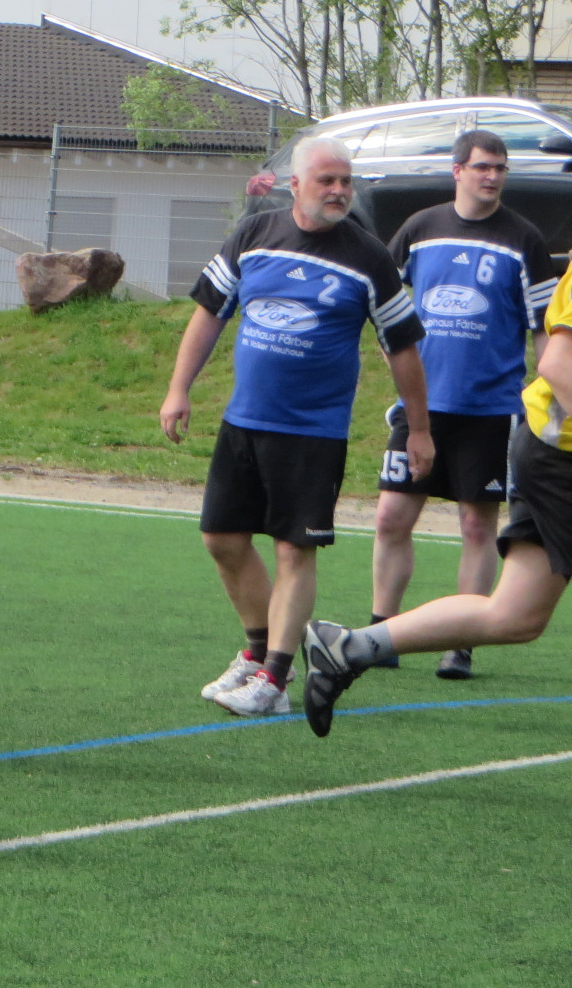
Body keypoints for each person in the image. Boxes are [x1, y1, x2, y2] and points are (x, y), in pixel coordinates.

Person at [160, 135, 431, 717]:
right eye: (327, 180)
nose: (338, 191)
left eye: (346, 181)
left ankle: (276, 680)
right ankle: (258, 650)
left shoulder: (368, 257)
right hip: (244, 421)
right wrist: (179, 388)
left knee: (293, 550)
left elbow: (403, 349)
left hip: (313, 433)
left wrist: (419, 428)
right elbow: (208, 314)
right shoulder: (253, 236)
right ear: (296, 185)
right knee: (222, 539)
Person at [305, 216, 572, 735]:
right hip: (559, 461)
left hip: (550, 456)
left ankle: (349, 647)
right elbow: (557, 364)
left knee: (515, 616)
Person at [369, 131, 555, 681]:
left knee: (477, 526)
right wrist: (394, 362)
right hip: (422, 408)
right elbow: (382, 302)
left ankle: (461, 643)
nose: (492, 176)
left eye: (500, 168)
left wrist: (550, 387)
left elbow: (545, 329)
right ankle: (381, 631)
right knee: (391, 516)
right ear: (457, 171)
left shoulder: (524, 240)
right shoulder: (420, 229)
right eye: (482, 167)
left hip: (491, 410)